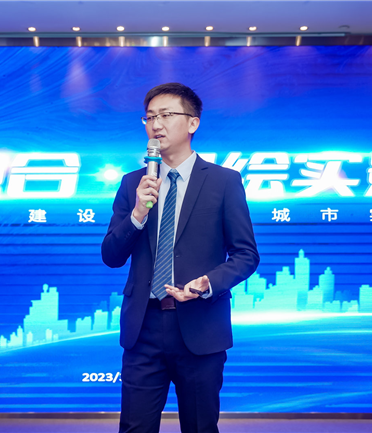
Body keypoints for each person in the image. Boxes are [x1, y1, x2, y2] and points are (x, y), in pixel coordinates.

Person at [101, 83, 259, 433]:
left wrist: (208, 283)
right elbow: (111, 255)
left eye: (166, 115)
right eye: (149, 117)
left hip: (200, 325)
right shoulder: (133, 184)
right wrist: (138, 213)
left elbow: (246, 255)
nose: (156, 124)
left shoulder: (223, 181)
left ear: (192, 123)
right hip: (143, 328)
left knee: (200, 428)